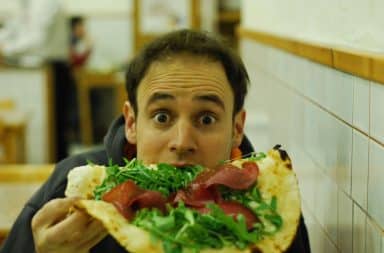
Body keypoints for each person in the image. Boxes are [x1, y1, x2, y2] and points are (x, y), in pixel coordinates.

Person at [0, 29, 311, 253]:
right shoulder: (70, 191)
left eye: (206, 118)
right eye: (162, 117)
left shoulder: (269, 210)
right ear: (133, 123)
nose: (182, 141)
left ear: (236, 128)